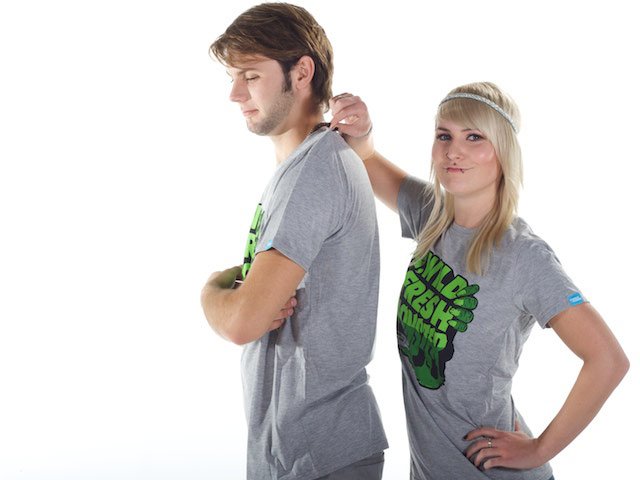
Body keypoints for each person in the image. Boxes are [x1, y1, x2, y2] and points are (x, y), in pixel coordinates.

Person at [329, 82, 629, 479]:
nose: (454, 151)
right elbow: (365, 157)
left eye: (474, 137)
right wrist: (361, 128)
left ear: (503, 152)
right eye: (444, 136)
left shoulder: (523, 256)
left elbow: (608, 360)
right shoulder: (432, 216)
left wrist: (539, 449)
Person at [200, 4, 387, 479]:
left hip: (320, 455)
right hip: (298, 451)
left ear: (301, 72)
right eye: (233, 77)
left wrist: (211, 291)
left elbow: (242, 321)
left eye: (250, 76)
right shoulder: (305, 166)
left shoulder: (314, 171)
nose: (235, 94)